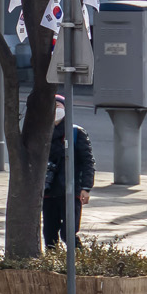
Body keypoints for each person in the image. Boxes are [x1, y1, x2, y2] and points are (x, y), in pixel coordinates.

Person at [43, 93, 95, 250]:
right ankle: (53, 266)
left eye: (58, 106)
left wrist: (86, 188)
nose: (55, 110)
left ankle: (79, 261)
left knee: (68, 233)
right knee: (49, 233)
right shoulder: (41, 133)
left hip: (70, 192)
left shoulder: (76, 133)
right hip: (48, 191)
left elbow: (88, 162)